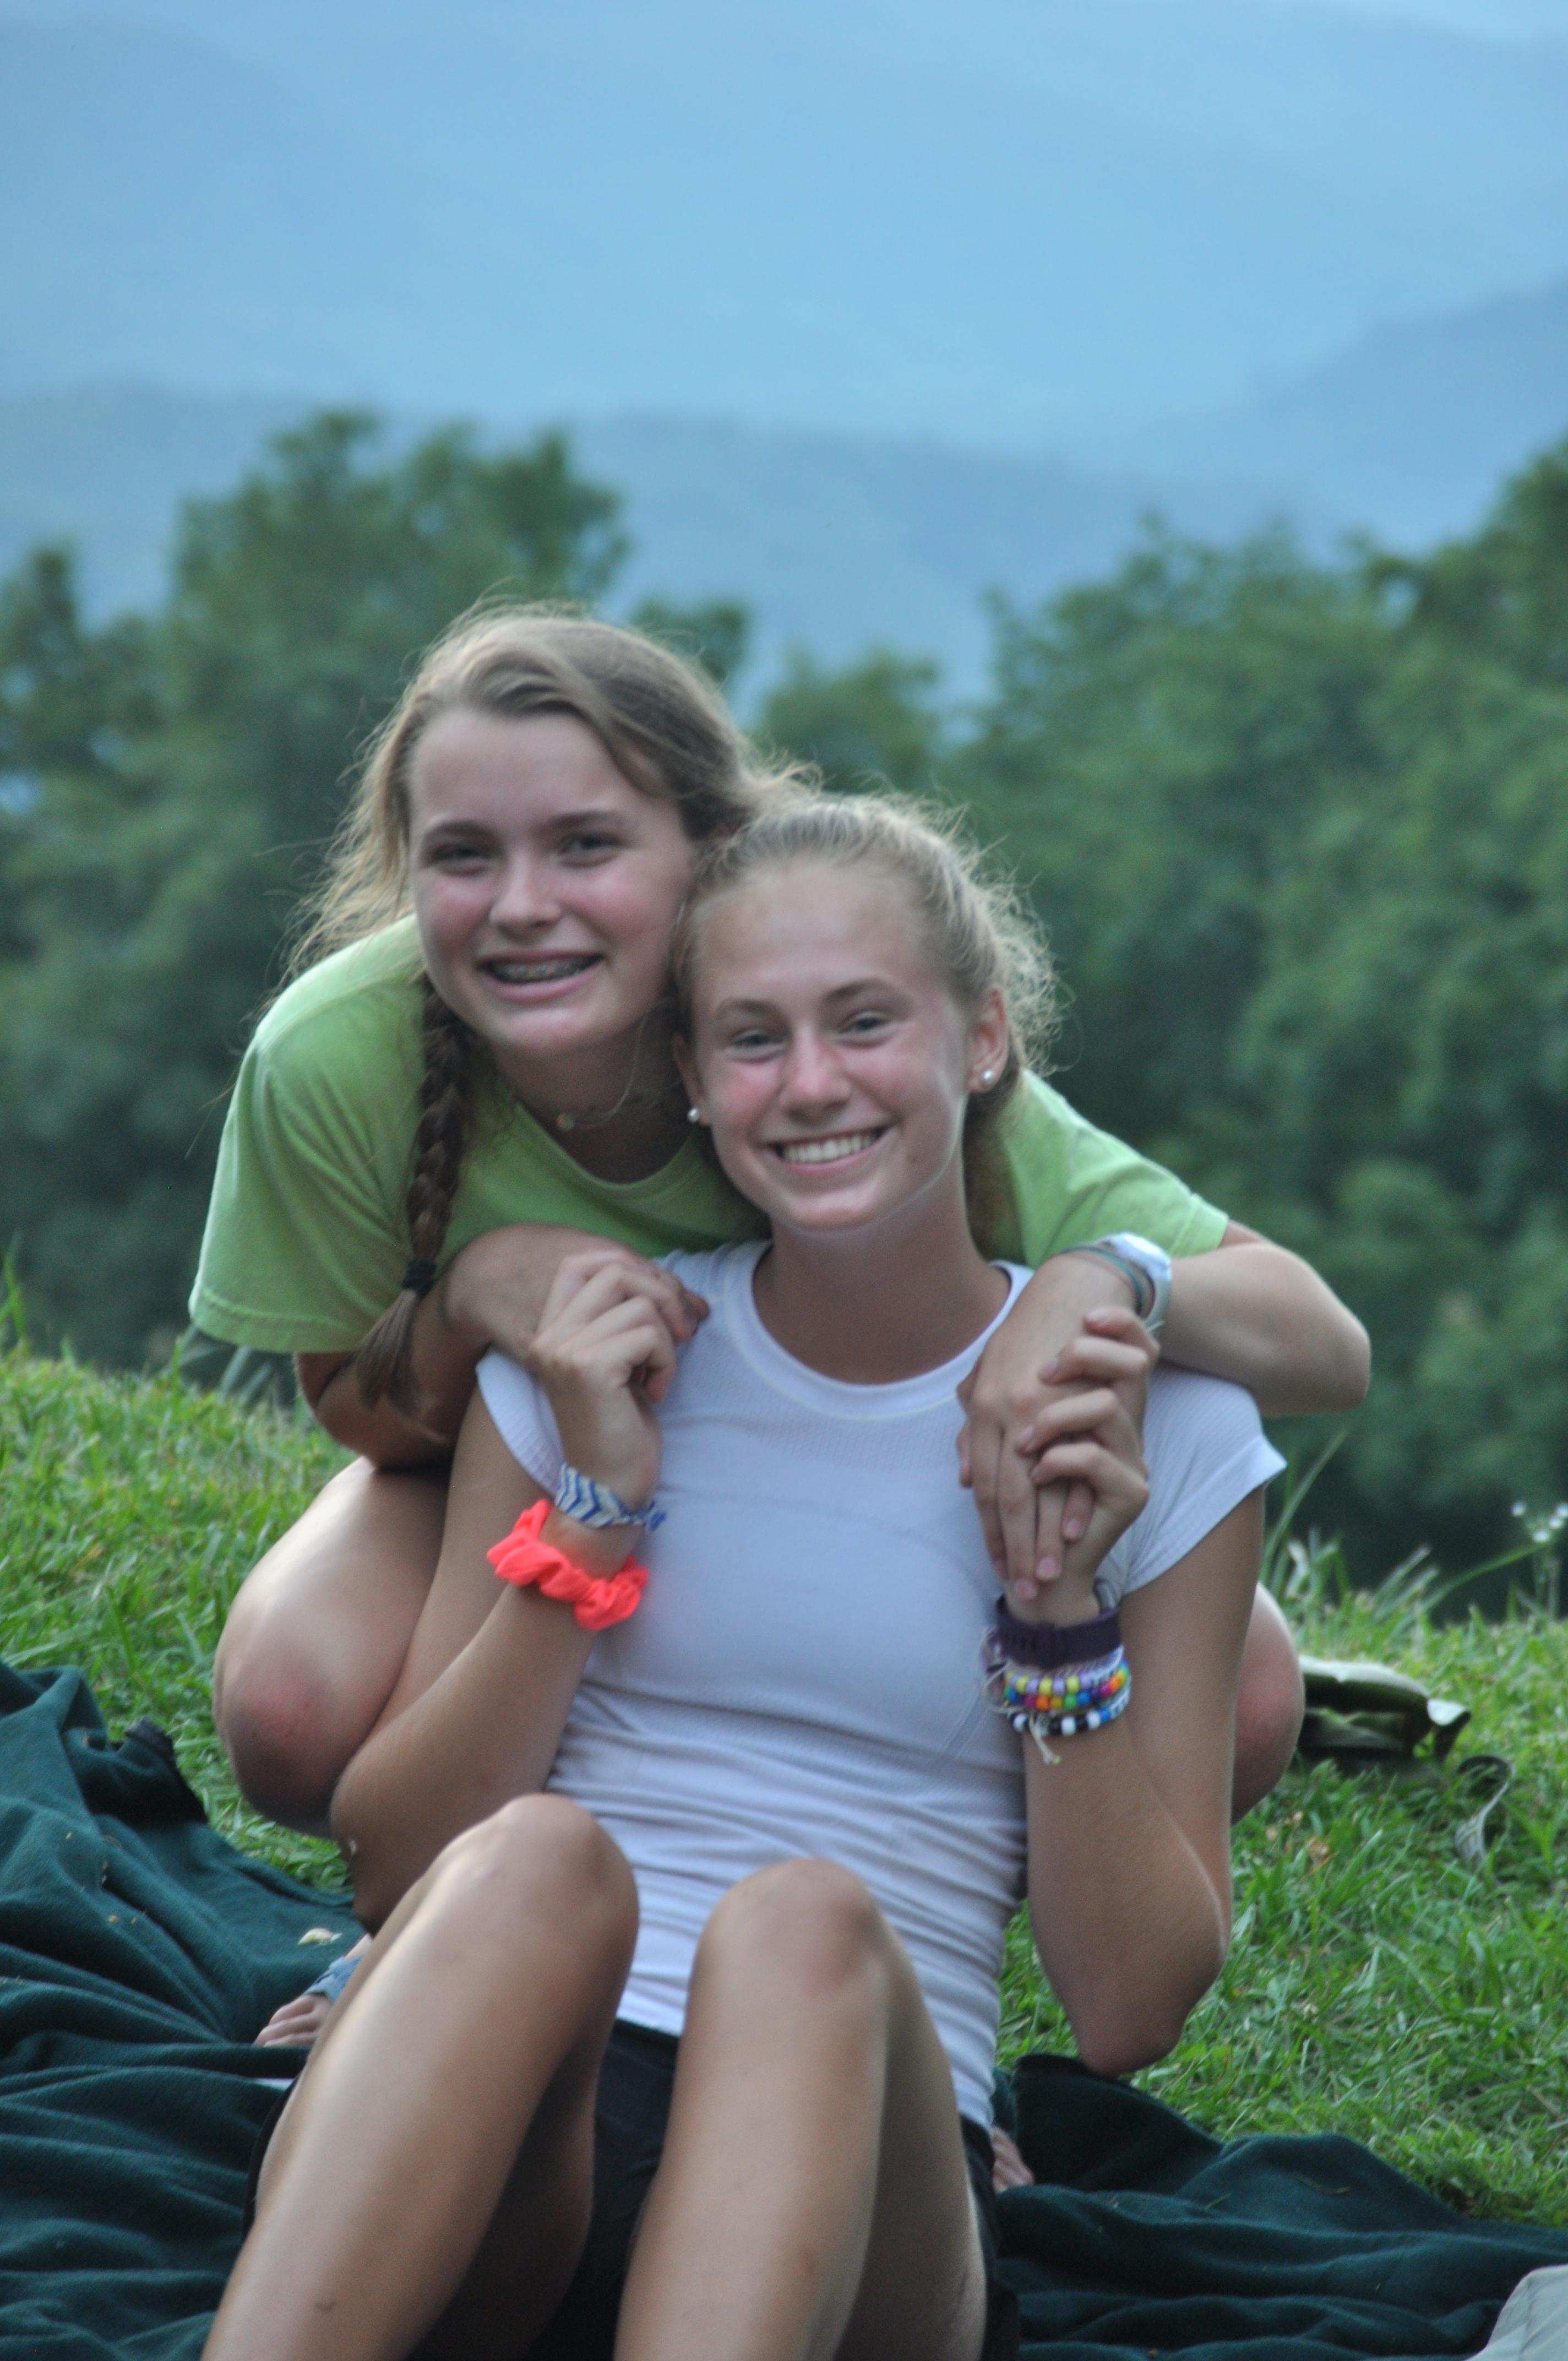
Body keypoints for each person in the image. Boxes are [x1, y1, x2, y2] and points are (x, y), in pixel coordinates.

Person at [204, 797, 1287, 2361]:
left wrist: (1057, 1613)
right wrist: (595, 1515)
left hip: (861, 2167)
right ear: (696, 1080)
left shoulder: (1158, 1422)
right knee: (530, 1859)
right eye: (755, 1039)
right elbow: (396, 1864)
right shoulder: (599, 1353)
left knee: (800, 1922)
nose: (813, 1082)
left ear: (982, 1038)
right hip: (519, 2121)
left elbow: (1130, 2009)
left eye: (865, 1022)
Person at [193, 611, 1364, 1848]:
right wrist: (473, 1299)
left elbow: (1323, 1349)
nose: (523, 906)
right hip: (499, 1474)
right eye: (464, 856)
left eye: (586, 844)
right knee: (290, 1712)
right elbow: (359, 1414)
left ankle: (915, 1861)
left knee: (1248, 1702)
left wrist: (1104, 1274)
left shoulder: (846, 1060)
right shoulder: (331, 1056)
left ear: (708, 849)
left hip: (864, 1482)